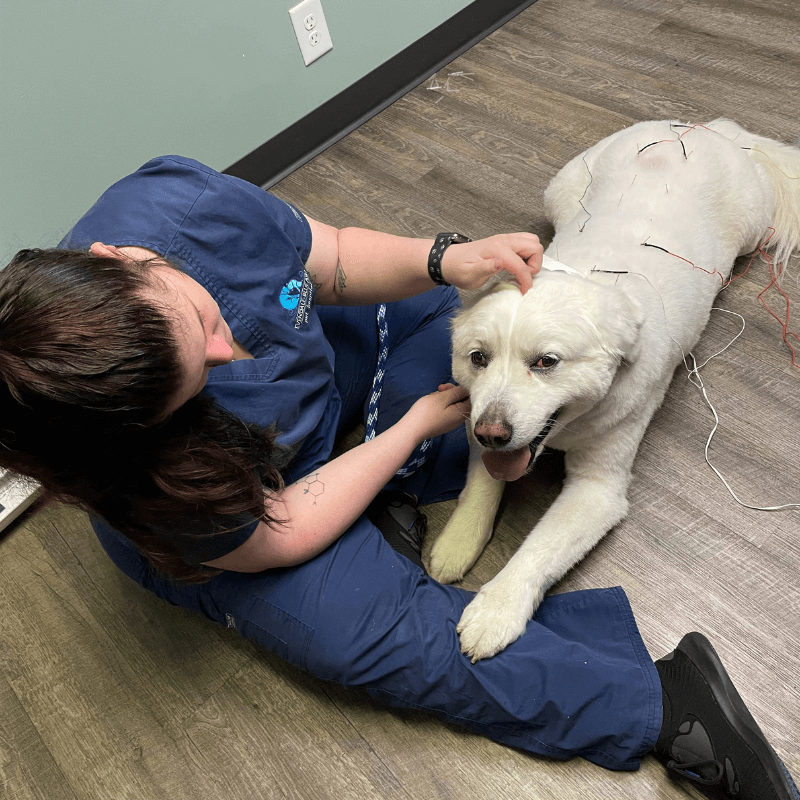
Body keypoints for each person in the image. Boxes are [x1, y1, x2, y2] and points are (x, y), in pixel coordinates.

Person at [0, 155, 795, 800]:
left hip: (327, 365)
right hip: (256, 511)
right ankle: (658, 704)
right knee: (370, 639)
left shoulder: (170, 205)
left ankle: (386, 495)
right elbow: (285, 534)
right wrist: (408, 430)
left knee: (465, 330)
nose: (224, 357)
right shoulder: (139, 475)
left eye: (204, 321)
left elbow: (336, 258)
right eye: (193, 386)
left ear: (122, 258)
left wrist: (447, 259)